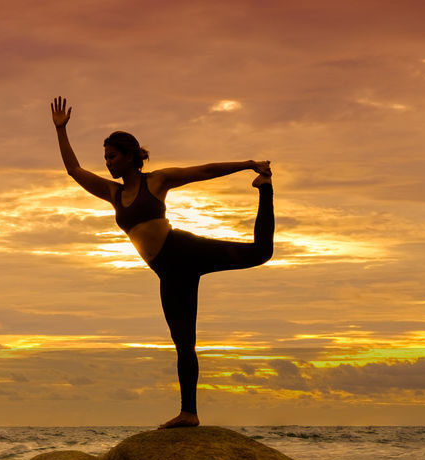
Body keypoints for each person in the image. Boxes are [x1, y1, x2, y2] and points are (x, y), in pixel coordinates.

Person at [50, 96, 273, 429]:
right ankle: (189, 413)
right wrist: (61, 130)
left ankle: (265, 187)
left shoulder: (156, 181)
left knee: (261, 253)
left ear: (130, 156)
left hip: (183, 250)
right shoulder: (113, 194)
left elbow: (205, 171)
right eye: (105, 158)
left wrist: (248, 164)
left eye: (112, 156)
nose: (108, 163)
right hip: (168, 272)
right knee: (183, 341)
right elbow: (74, 170)